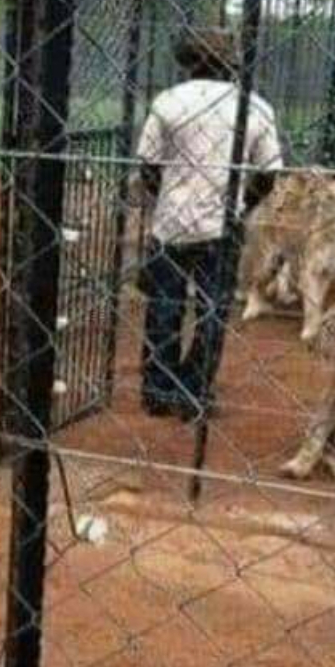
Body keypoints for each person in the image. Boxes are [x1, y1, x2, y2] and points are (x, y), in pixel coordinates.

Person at [136, 27, 283, 422]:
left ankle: (158, 389)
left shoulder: (169, 101)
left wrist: (167, 196)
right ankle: (193, 390)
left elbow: (147, 165)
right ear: (231, 65)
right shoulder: (254, 107)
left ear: (188, 62)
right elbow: (268, 173)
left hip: (171, 222)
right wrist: (242, 205)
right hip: (222, 223)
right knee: (212, 311)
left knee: (164, 305)